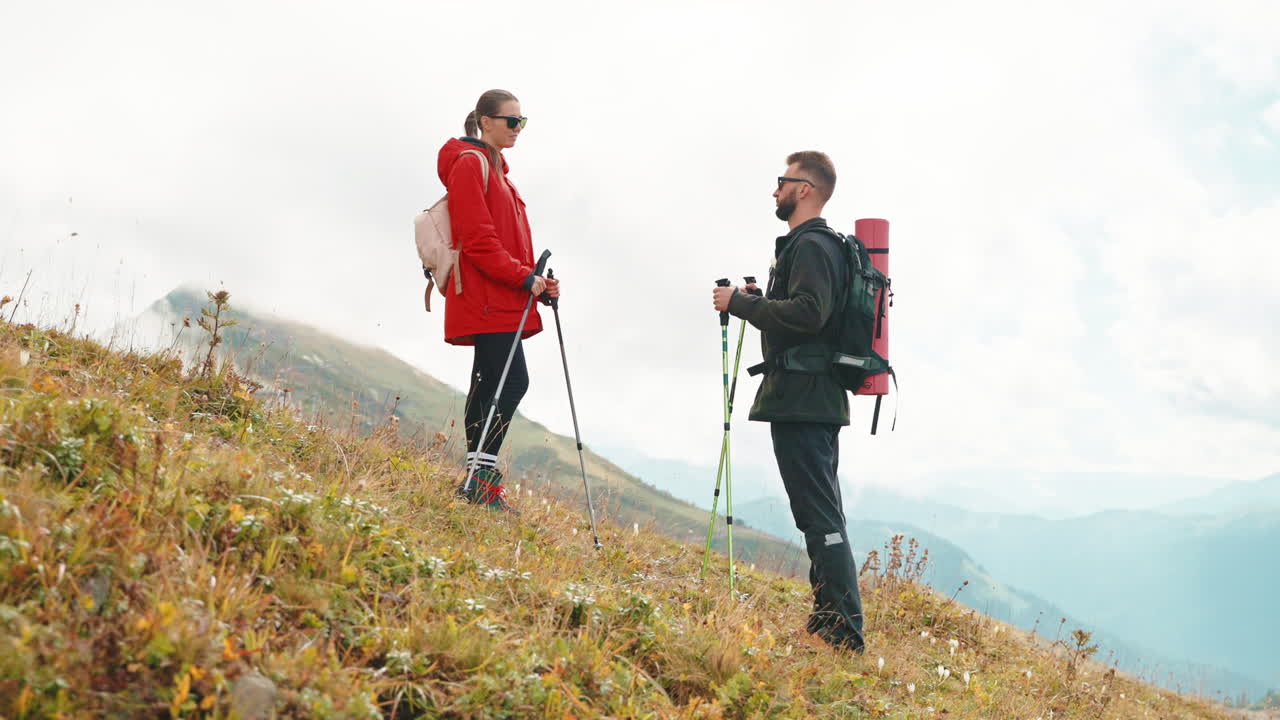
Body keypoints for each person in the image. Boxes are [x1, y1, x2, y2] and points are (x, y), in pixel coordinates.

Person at [711, 151, 865, 653]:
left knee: (819, 515)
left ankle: (844, 632)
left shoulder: (814, 246)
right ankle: (828, 619)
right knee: (818, 511)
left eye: (782, 181)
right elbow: (801, 310)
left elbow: (808, 315)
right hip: (811, 396)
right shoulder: (812, 247)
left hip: (804, 397)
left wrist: (742, 303)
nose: (775, 190)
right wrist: (762, 299)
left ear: (805, 189)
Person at [437, 89, 558, 511]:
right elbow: (478, 241)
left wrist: (536, 281)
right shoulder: (471, 165)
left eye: (522, 122)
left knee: (490, 381)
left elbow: (503, 241)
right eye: (512, 121)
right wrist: (523, 278)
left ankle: (477, 482)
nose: (518, 129)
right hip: (486, 294)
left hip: (499, 293)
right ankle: (480, 482)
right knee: (509, 381)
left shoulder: (495, 170)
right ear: (486, 121)